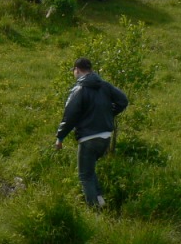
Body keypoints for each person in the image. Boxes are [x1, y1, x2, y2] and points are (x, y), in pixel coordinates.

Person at [55, 57, 129, 208]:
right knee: (90, 169)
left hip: (88, 138)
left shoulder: (79, 89)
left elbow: (70, 115)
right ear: (91, 70)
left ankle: (94, 209)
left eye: (73, 71)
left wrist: (60, 137)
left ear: (77, 70)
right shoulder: (105, 86)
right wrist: (108, 114)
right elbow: (123, 100)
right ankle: (100, 201)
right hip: (105, 137)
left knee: (84, 176)